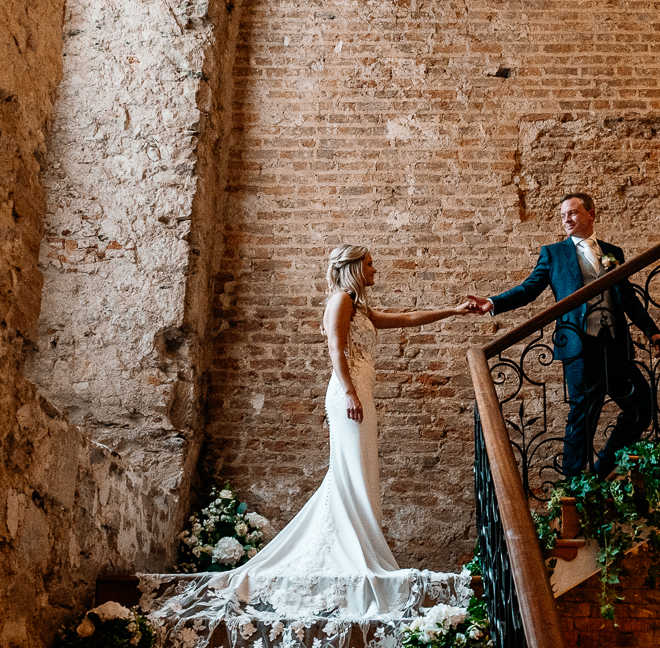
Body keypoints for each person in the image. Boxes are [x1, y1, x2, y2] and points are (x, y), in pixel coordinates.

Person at [199, 244, 483, 615]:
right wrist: (349, 392)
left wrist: (452, 310)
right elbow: (336, 350)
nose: (375, 269)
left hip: (361, 392)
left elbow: (407, 318)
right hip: (348, 394)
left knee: (359, 470)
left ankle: (355, 546)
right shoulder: (339, 302)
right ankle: (349, 551)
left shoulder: (359, 306)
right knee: (349, 470)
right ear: (352, 268)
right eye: (369, 264)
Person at [468, 193, 660, 479]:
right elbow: (529, 289)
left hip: (616, 346)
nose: (567, 219)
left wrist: (652, 331)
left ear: (591, 214)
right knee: (582, 418)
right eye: (563, 215)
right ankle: (573, 488)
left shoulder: (613, 252)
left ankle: (600, 473)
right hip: (579, 346)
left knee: (641, 406)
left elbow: (626, 297)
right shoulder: (554, 253)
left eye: (573, 213)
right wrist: (494, 302)